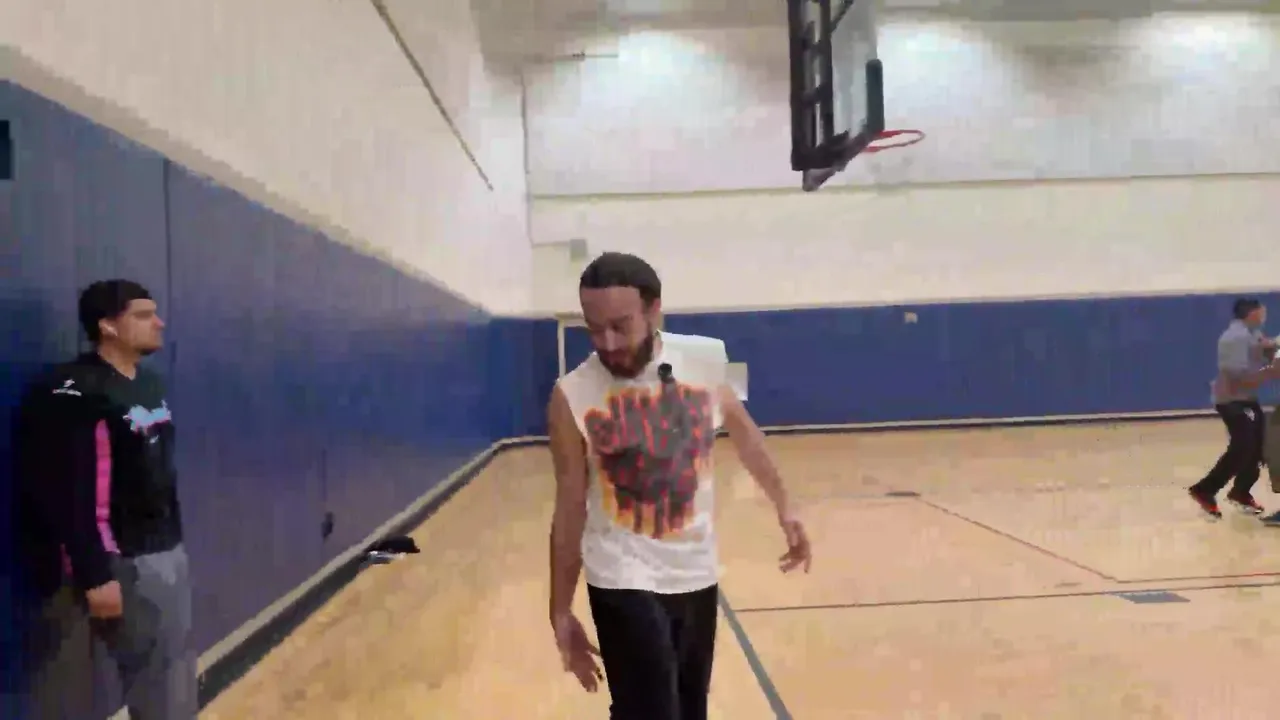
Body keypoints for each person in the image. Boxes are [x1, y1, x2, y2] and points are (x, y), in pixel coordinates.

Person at [547, 252, 811, 720]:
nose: (607, 343)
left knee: (689, 711)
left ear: (654, 310)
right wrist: (560, 609)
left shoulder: (705, 359)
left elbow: (746, 435)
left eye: (620, 326)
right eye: (594, 329)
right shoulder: (570, 394)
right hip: (620, 572)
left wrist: (785, 507)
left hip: (695, 570)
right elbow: (569, 505)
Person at [14, 279, 196, 719]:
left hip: (163, 552)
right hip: (117, 561)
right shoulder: (75, 391)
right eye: (143, 315)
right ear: (108, 326)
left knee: (172, 677)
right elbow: (64, 488)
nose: (158, 323)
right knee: (136, 685)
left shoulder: (149, 385)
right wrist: (96, 572)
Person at [1188, 297, 1280, 520]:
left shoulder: (1252, 333)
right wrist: (1272, 371)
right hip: (1232, 400)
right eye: (1262, 312)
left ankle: (1240, 492)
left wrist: (1274, 347)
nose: (1264, 316)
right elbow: (1239, 378)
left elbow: (1265, 346)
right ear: (1252, 313)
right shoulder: (1234, 338)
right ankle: (1205, 490)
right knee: (1243, 446)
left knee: (1259, 446)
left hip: (1246, 399)